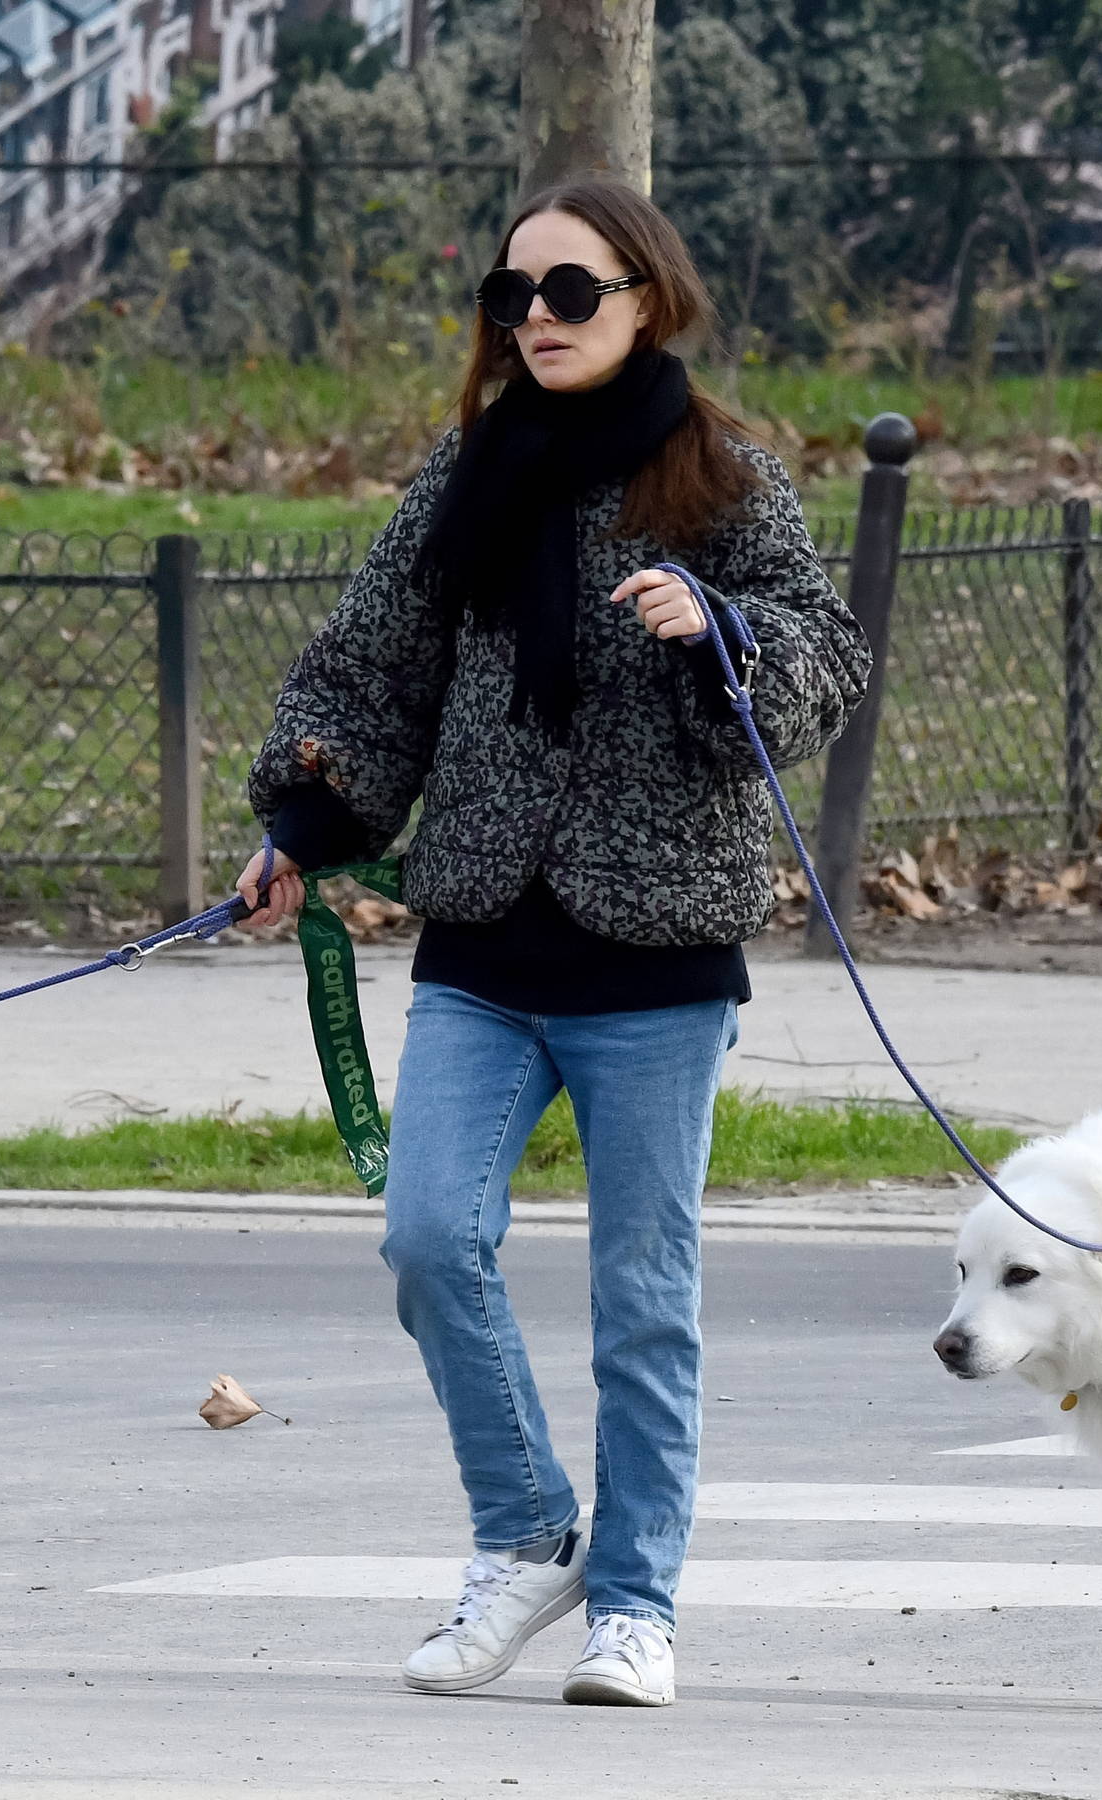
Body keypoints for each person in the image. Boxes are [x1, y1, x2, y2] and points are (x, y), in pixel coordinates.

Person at [237, 176, 871, 1708]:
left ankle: (634, 1609)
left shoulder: (726, 481)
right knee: (426, 1238)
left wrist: (720, 630)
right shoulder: (467, 474)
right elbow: (364, 674)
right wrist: (301, 824)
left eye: (570, 291)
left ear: (646, 297)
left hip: (657, 954)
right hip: (482, 939)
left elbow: (825, 661)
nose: (535, 317)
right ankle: (527, 1533)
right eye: (511, 295)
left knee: (644, 1299)